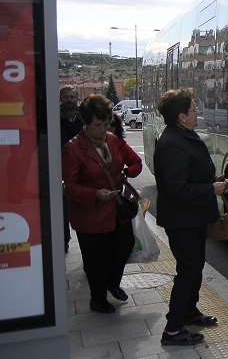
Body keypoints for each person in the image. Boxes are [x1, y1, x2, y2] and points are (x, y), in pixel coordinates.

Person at [154, 88, 228, 346]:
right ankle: (173, 329)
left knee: (195, 266)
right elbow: (176, 188)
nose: (197, 111)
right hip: (182, 220)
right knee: (187, 270)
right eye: (193, 109)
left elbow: (192, 175)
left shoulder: (182, 136)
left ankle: (189, 311)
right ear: (181, 117)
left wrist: (215, 181)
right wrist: (211, 189)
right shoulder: (172, 143)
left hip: (193, 217)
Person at [62, 94, 142, 313]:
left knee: (124, 247)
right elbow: (69, 186)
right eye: (98, 125)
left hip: (116, 210)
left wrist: (125, 174)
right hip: (90, 216)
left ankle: (112, 283)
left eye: (106, 124)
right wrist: (95, 194)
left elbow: (134, 162)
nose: (103, 130)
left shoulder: (113, 140)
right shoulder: (73, 148)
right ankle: (98, 299)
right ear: (86, 123)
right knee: (95, 261)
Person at [60, 86, 84, 253]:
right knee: (62, 208)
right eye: (66, 97)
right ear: (61, 99)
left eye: (72, 97)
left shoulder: (84, 118)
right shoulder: (53, 117)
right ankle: (63, 240)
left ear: (77, 98)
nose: (69, 100)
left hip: (81, 170)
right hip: (60, 170)